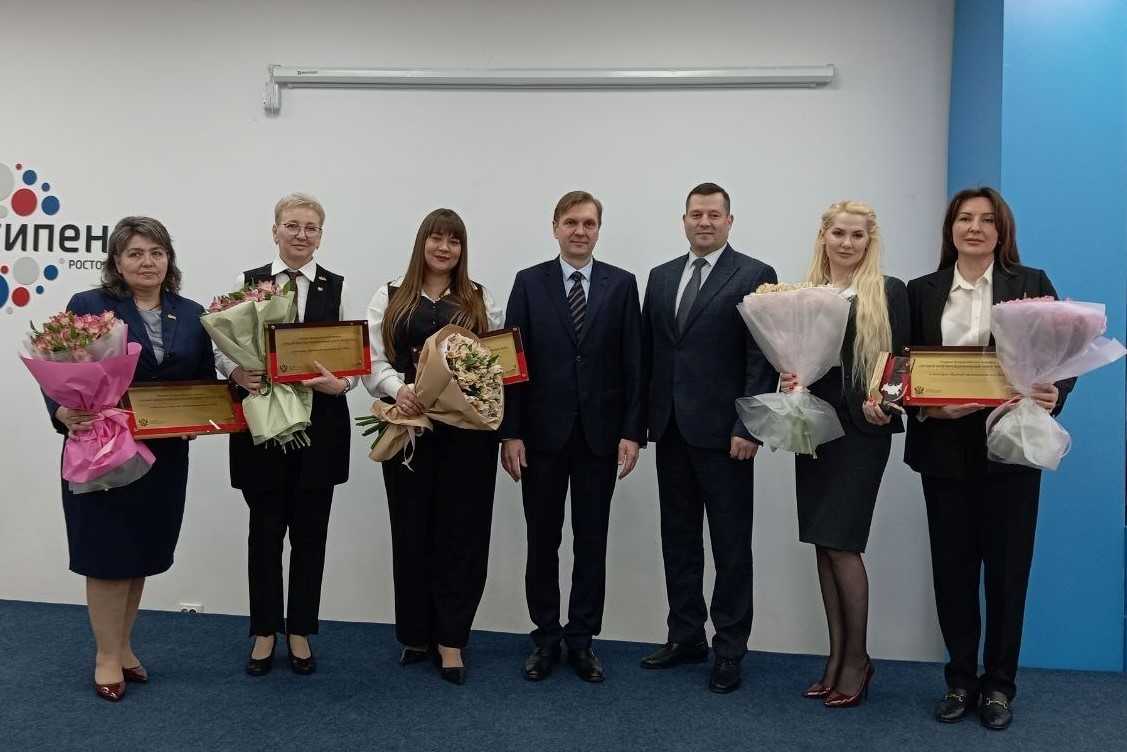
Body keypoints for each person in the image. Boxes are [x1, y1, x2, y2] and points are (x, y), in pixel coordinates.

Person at [905, 187, 1075, 730]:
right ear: (950, 228)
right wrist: (929, 407)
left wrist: (1053, 393)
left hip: (1012, 448)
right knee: (953, 573)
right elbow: (900, 369)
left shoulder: (1032, 284)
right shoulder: (921, 291)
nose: (974, 228)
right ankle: (960, 681)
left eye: (986, 220)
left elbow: (1064, 356)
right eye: (964, 218)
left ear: (1002, 231)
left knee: (1007, 574)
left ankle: (1000, 686)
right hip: (943, 450)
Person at [45, 216, 215, 701]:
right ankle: (105, 655)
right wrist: (60, 410)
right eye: (136, 253)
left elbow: (203, 380)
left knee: (140, 552)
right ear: (117, 262)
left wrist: (203, 416)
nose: (147, 262)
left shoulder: (192, 313)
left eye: (157, 253)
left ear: (169, 260)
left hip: (164, 455)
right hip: (103, 450)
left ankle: (122, 646)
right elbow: (58, 366)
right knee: (107, 554)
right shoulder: (90, 306)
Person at [499, 190, 644, 683]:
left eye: (589, 223)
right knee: (542, 541)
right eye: (571, 222)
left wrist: (632, 432)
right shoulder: (529, 282)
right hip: (540, 438)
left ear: (599, 229)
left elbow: (634, 363)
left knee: (591, 541)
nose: (580, 231)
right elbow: (512, 365)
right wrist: (510, 433)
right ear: (555, 227)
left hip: (599, 438)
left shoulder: (621, 284)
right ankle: (545, 637)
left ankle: (582, 640)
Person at [639, 182, 777, 693]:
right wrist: (641, 424)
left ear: (729, 221)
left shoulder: (755, 275)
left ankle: (730, 649)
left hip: (726, 437)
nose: (704, 222)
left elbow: (762, 356)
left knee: (731, 546)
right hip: (670, 430)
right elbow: (650, 354)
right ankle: (685, 636)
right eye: (696, 214)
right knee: (678, 541)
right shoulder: (660, 277)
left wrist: (749, 425)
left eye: (714, 215)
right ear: (684, 220)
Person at [216, 193, 357, 676]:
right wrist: (235, 372)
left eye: (310, 227)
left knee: (311, 535)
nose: (301, 234)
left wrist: (344, 384)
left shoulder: (338, 288)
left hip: (321, 428)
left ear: (321, 236)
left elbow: (358, 354)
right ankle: (263, 631)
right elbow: (220, 345)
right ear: (275, 230)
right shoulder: (248, 283)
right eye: (292, 225)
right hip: (263, 428)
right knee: (265, 533)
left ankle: (299, 630)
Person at [365, 208, 504, 685]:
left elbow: (495, 365)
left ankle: (452, 640)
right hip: (410, 429)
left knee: (463, 535)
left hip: (468, 436)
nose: (444, 248)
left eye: (454, 241)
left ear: (463, 249)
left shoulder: (480, 299)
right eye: (436, 238)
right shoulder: (389, 296)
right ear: (421, 242)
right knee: (411, 530)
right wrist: (396, 388)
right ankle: (416, 634)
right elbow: (372, 360)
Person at [778, 201, 908, 708]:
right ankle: (835, 659)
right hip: (813, 426)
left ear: (869, 241)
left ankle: (858, 660)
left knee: (843, 544)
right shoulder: (805, 292)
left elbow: (901, 361)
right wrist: (790, 379)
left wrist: (887, 404)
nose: (847, 242)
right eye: (839, 233)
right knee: (822, 543)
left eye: (857, 235)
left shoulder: (888, 291)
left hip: (860, 431)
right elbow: (796, 358)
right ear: (824, 237)